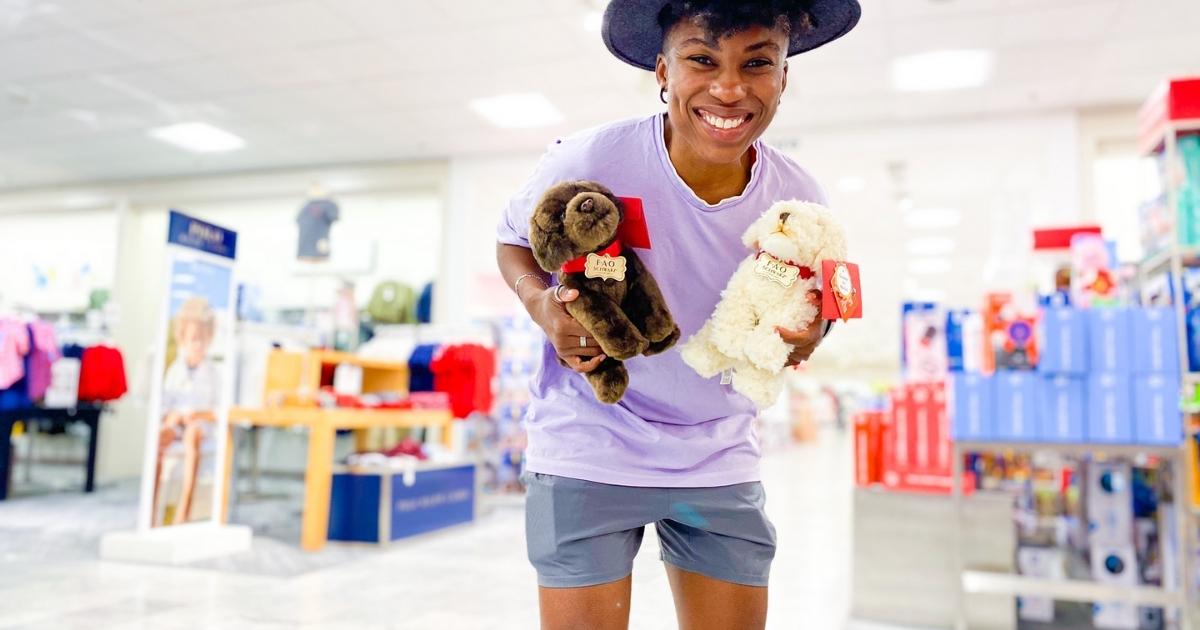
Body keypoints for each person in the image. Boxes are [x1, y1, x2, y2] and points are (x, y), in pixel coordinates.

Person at [495, 1, 861, 627]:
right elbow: (514, 241)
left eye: (757, 63)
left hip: (718, 450)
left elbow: (816, 308)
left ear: (783, 77)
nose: (728, 87)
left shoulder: (799, 199)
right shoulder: (590, 158)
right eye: (701, 60)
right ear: (662, 71)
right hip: (591, 436)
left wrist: (806, 334)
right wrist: (541, 307)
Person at [155, 297, 221, 525]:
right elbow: (165, 403)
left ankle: (184, 512)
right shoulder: (175, 370)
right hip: (177, 422)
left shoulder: (214, 373)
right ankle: (152, 510)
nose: (197, 345)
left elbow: (218, 410)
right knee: (160, 439)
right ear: (182, 338)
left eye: (202, 339)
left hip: (199, 426)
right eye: (193, 339)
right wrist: (171, 417)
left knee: (193, 436)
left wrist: (198, 415)